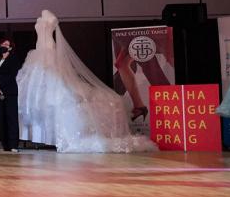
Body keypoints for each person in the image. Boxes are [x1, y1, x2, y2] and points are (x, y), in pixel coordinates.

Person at [17, 10, 156, 153]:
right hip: (40, 53)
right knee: (41, 87)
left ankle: (139, 105)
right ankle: (139, 105)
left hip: (48, 50)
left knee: (55, 86)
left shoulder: (50, 19)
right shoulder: (43, 19)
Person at [0, 37, 23, 152]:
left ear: (10, 47)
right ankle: (5, 145)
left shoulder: (14, 59)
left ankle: (13, 144)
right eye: (2, 43)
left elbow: (12, 76)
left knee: (11, 117)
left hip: (10, 92)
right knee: (2, 117)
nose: (3, 46)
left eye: (6, 44)